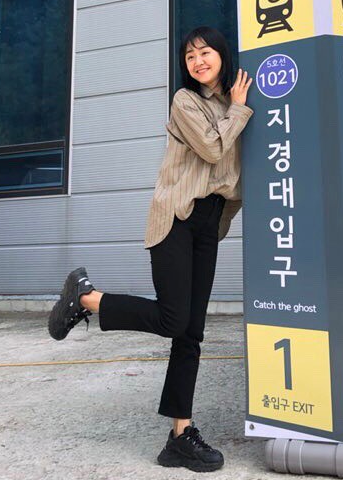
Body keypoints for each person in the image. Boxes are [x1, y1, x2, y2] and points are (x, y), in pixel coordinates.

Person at [47, 26, 253, 472]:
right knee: (173, 318)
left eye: (205, 52)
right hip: (177, 218)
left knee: (190, 334)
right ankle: (85, 297)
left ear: (222, 55)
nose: (198, 61)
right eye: (190, 55)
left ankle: (180, 436)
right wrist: (238, 109)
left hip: (207, 224)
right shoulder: (186, 103)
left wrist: (237, 110)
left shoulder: (232, 106)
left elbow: (235, 175)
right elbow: (214, 150)